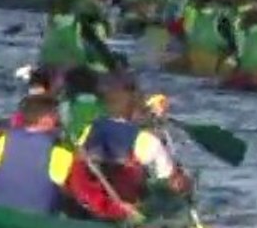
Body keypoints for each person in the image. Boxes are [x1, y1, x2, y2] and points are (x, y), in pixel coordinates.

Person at [74, 79, 191, 213]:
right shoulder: (147, 140)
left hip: (92, 193)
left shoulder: (93, 126)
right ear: (134, 111)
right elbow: (170, 182)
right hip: (123, 200)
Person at [0, 94, 76, 216]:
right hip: (37, 218)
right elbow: (70, 187)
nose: (59, 120)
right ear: (47, 119)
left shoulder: (4, 140)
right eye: (56, 115)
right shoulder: (59, 149)